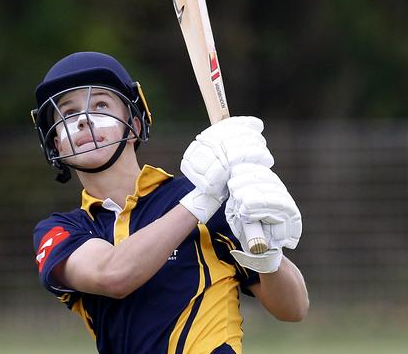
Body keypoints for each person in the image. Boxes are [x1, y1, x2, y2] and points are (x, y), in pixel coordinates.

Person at [30, 51, 309, 354]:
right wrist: (202, 200)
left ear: (134, 124)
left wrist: (268, 252)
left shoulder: (200, 196)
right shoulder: (60, 231)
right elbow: (114, 275)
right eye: (68, 113)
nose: (84, 120)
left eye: (100, 105)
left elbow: (294, 309)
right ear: (56, 142)